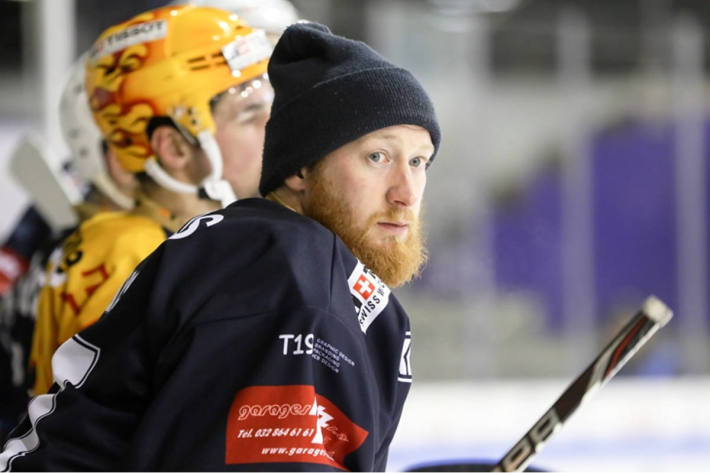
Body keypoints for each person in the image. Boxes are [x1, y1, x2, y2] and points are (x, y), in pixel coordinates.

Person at [0, 21, 441, 471]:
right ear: (300, 169)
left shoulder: (240, 249)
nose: (406, 192)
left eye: (419, 161)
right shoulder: (289, 268)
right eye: (377, 157)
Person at [26, 4, 275, 396]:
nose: (274, 125)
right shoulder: (129, 257)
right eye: (250, 113)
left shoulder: (170, 243)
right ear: (175, 148)